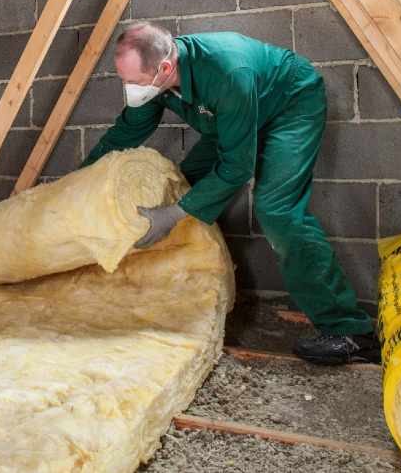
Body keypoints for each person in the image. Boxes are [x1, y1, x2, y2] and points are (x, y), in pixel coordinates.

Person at [83, 22, 379, 365]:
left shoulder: (226, 71)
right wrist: (81, 178)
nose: (129, 89)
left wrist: (174, 215)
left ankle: (349, 330)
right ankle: (183, 293)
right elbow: (130, 128)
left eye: (133, 82)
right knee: (183, 186)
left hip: (288, 106)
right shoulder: (158, 77)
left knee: (276, 210)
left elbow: (236, 168)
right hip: (234, 116)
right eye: (125, 80)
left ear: (165, 68)